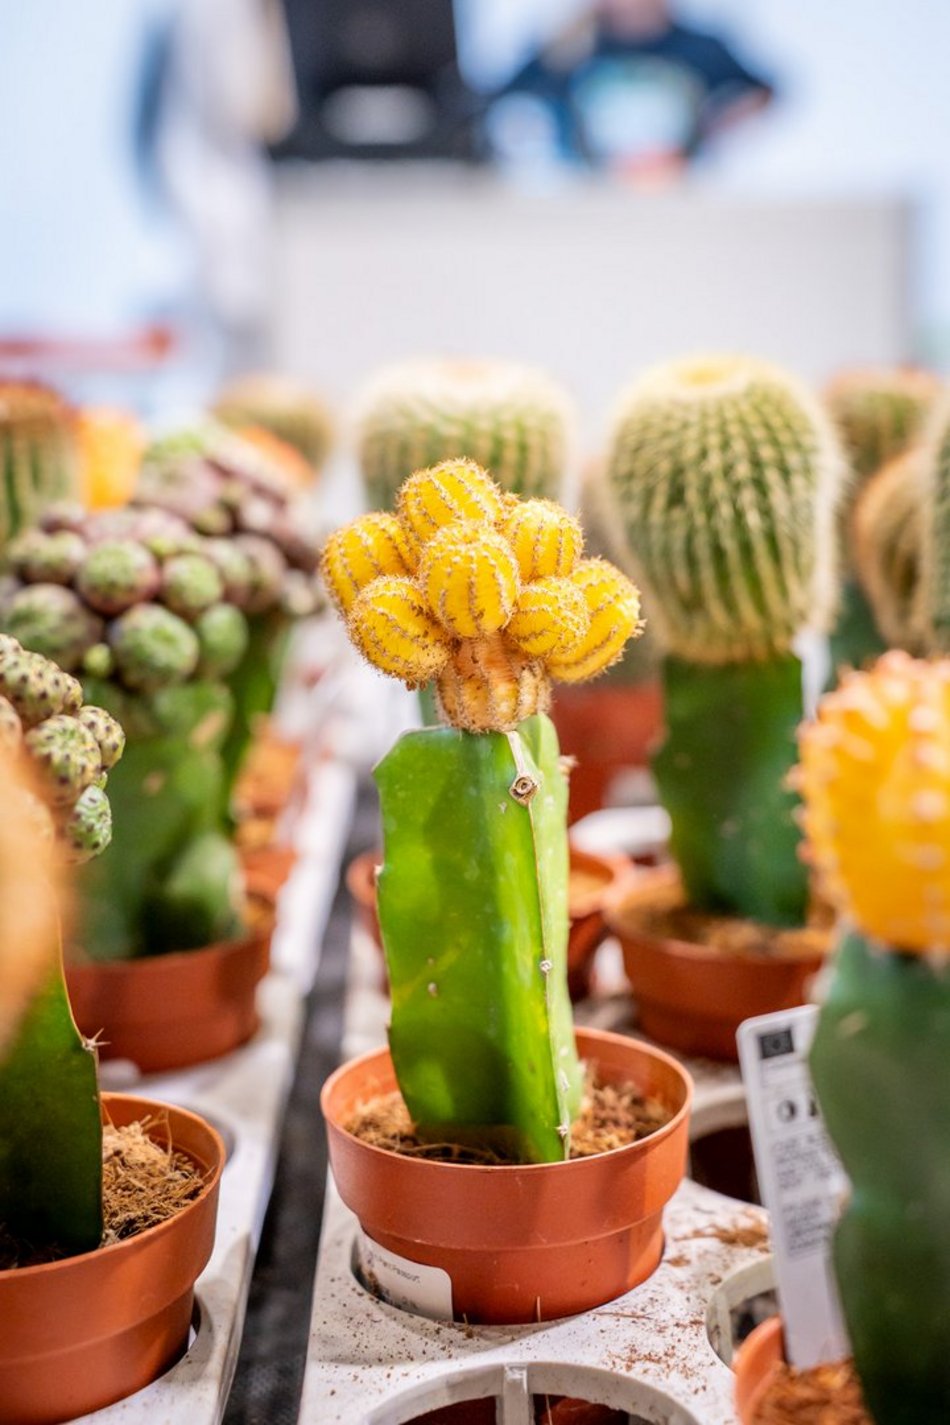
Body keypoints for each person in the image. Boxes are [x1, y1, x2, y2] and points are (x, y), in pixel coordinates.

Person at [496, 0, 774, 177]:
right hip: (588, 196)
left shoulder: (700, 48)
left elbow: (760, 92)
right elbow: (508, 98)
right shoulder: (571, 48)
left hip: (678, 193)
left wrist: (716, 126)